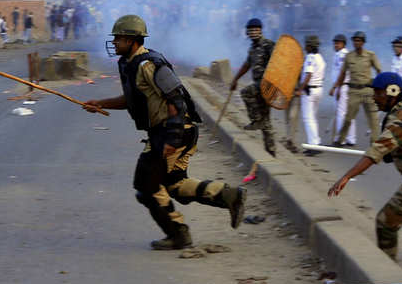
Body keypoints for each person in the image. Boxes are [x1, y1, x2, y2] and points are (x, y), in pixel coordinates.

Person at [83, 15, 246, 250]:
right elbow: (133, 101)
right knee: (175, 185)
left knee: (146, 187)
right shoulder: (128, 64)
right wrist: (100, 103)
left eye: (119, 38)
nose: (115, 42)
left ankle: (178, 234)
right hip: (169, 134)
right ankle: (229, 195)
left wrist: (172, 137)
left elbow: (176, 99)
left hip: (174, 132)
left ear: (133, 40)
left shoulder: (149, 64)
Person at [328, 72, 402, 264]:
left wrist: (346, 177)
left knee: (385, 222)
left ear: (392, 92)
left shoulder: (401, 118)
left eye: (378, 93)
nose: (374, 98)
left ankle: (388, 270)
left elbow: (375, 152)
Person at [230, 18, 277, 156]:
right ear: (247, 32)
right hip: (259, 85)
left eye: (256, 29)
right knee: (266, 121)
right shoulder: (252, 48)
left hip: (266, 84)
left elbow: (278, 63)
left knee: (245, 93)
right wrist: (235, 79)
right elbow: (247, 65)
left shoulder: (268, 45)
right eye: (251, 30)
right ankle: (271, 151)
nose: (254, 32)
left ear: (261, 31)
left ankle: (255, 120)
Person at [330, 31, 381, 145]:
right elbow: (343, 73)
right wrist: (336, 88)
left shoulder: (370, 55)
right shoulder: (349, 56)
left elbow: (379, 70)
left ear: (363, 42)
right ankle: (341, 139)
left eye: (359, 40)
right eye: (354, 40)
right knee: (348, 118)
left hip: (368, 90)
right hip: (353, 91)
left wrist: (378, 87)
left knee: (373, 119)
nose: (356, 42)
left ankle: (375, 143)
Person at [298, 35, 326, 156]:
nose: (305, 47)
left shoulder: (310, 57)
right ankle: (316, 141)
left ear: (310, 46)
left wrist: (300, 89)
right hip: (319, 89)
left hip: (310, 91)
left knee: (308, 118)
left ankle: (313, 145)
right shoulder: (320, 58)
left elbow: (308, 74)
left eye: (306, 45)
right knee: (312, 118)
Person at [329, 34, 356, 146]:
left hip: (343, 86)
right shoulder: (341, 54)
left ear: (343, 44)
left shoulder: (343, 55)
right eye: (335, 42)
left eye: (338, 43)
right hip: (344, 86)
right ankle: (351, 138)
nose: (335, 44)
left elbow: (343, 73)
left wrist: (337, 88)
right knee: (347, 113)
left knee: (341, 113)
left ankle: (341, 138)